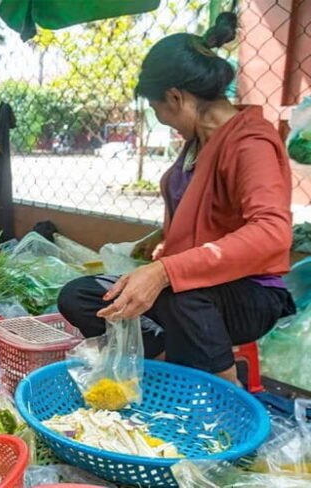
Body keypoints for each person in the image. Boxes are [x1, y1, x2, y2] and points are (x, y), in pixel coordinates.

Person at [57, 12, 295, 385]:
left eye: (157, 110)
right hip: (189, 286)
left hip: (248, 294)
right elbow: (205, 214)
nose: (162, 120)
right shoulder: (196, 143)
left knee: (184, 296)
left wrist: (166, 271)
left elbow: (271, 233)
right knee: (82, 295)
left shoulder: (250, 143)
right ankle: (165, 358)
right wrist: (162, 242)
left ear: (175, 97)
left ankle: (225, 393)